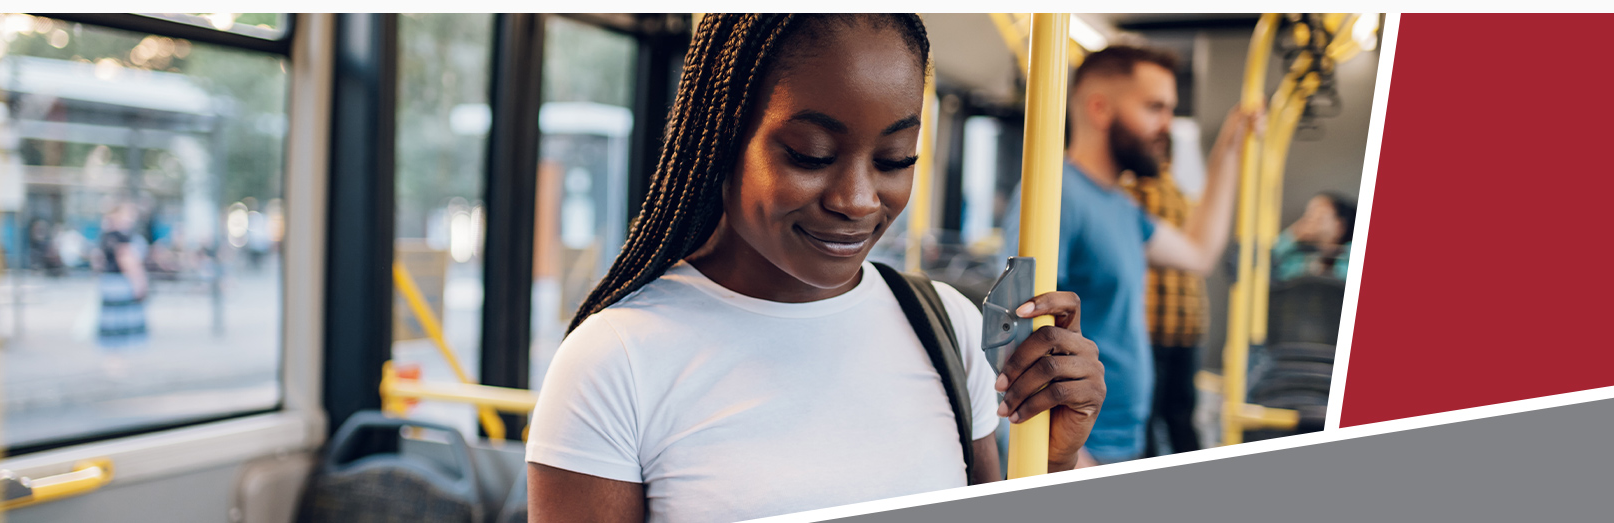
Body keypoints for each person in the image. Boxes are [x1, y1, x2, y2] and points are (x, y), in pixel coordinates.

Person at [527, 15, 1109, 523]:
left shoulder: (946, 327)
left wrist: (1049, 460)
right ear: (721, 138)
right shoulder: (614, 362)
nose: (857, 200)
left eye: (894, 160)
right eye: (811, 155)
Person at [1001, 45, 1261, 464]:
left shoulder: (1121, 206)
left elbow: (1199, 253)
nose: (1167, 125)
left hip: (1125, 441)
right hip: (1081, 448)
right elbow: (1015, 331)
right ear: (1101, 109)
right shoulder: (1055, 194)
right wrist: (1069, 456)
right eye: (1155, 108)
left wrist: (1229, 148)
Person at [1121, 132, 1207, 456]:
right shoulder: (1187, 200)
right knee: (1181, 416)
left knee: (1146, 417)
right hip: (1189, 325)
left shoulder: (1127, 198)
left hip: (1150, 326)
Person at [96, 199, 149, 349]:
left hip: (109, 281)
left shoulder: (106, 236)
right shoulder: (121, 237)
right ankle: (118, 363)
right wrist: (140, 283)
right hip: (121, 283)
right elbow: (127, 261)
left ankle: (113, 360)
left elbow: (98, 261)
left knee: (111, 324)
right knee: (121, 327)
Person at [1274, 192, 1355, 281]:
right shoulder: (1297, 259)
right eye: (1309, 215)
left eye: (1321, 214)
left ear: (1340, 226)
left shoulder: (1350, 255)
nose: (1312, 220)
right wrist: (1293, 234)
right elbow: (1269, 264)